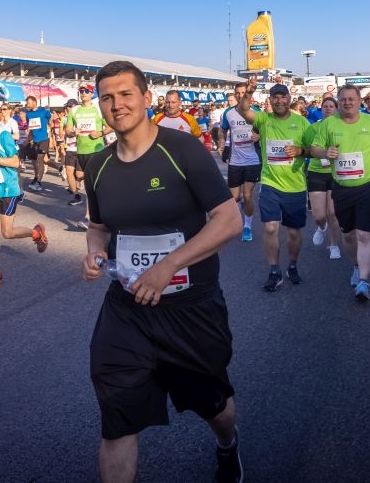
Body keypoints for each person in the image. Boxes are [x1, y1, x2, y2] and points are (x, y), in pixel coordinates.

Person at [80, 61, 243, 483]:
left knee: (213, 405)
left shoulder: (182, 149)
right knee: (117, 417)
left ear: (146, 98)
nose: (117, 105)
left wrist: (168, 267)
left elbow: (229, 220)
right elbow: (98, 226)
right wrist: (94, 251)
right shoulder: (97, 165)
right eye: (107, 98)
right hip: (127, 309)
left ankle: (228, 445)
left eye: (125, 94)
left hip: (190, 308)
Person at [309, 85, 370, 301]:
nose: (347, 102)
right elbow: (314, 148)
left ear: (359, 101)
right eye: (343, 99)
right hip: (341, 188)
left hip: (367, 185)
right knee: (348, 235)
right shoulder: (328, 124)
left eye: (351, 99)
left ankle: (364, 282)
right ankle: (356, 265)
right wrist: (325, 152)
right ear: (339, 102)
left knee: (364, 234)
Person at [235, 79, 310, 291]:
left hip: (295, 186)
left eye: (282, 97)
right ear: (270, 100)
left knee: (294, 232)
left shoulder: (302, 123)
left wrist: (300, 151)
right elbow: (243, 110)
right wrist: (248, 93)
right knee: (270, 227)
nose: (279, 101)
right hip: (270, 183)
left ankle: (292, 265)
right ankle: (274, 271)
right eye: (275, 97)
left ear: (289, 99)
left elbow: (313, 149)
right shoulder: (263, 119)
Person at [0, 99, 48, 287]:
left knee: (7, 233)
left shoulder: (2, 134)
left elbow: (15, 162)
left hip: (7, 189)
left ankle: (36, 233)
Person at [220, 83, 261, 242]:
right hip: (235, 160)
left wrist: (260, 136)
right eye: (237, 92)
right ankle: (236, 222)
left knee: (248, 196)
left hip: (253, 159)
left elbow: (268, 130)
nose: (240, 95)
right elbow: (223, 130)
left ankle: (247, 226)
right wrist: (222, 144)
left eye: (243, 92)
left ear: (248, 93)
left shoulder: (257, 112)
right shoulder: (228, 112)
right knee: (234, 197)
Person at [304, 96, 343, 259]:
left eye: (331, 106)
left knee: (332, 213)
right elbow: (306, 148)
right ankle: (321, 227)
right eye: (325, 106)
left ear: (336, 109)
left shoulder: (342, 126)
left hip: (335, 173)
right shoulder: (313, 128)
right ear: (321, 109)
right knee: (319, 215)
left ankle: (333, 245)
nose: (328, 108)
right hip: (316, 172)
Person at [63, 85, 107, 224]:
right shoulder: (74, 110)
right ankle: (94, 217)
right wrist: (72, 132)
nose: (83, 93)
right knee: (89, 185)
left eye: (86, 91)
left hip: (97, 150)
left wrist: (100, 133)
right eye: (81, 91)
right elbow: (67, 131)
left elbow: (111, 127)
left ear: (92, 93)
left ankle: (91, 218)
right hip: (81, 152)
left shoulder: (98, 109)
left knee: (94, 185)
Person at [23, 95, 53, 192]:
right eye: (27, 103)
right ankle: (61, 168)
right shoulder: (28, 114)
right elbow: (30, 127)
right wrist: (28, 137)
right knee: (43, 160)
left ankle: (38, 183)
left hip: (44, 139)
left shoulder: (43, 111)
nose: (27, 105)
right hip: (35, 140)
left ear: (34, 102)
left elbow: (51, 118)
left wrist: (50, 128)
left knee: (40, 159)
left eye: (28, 103)